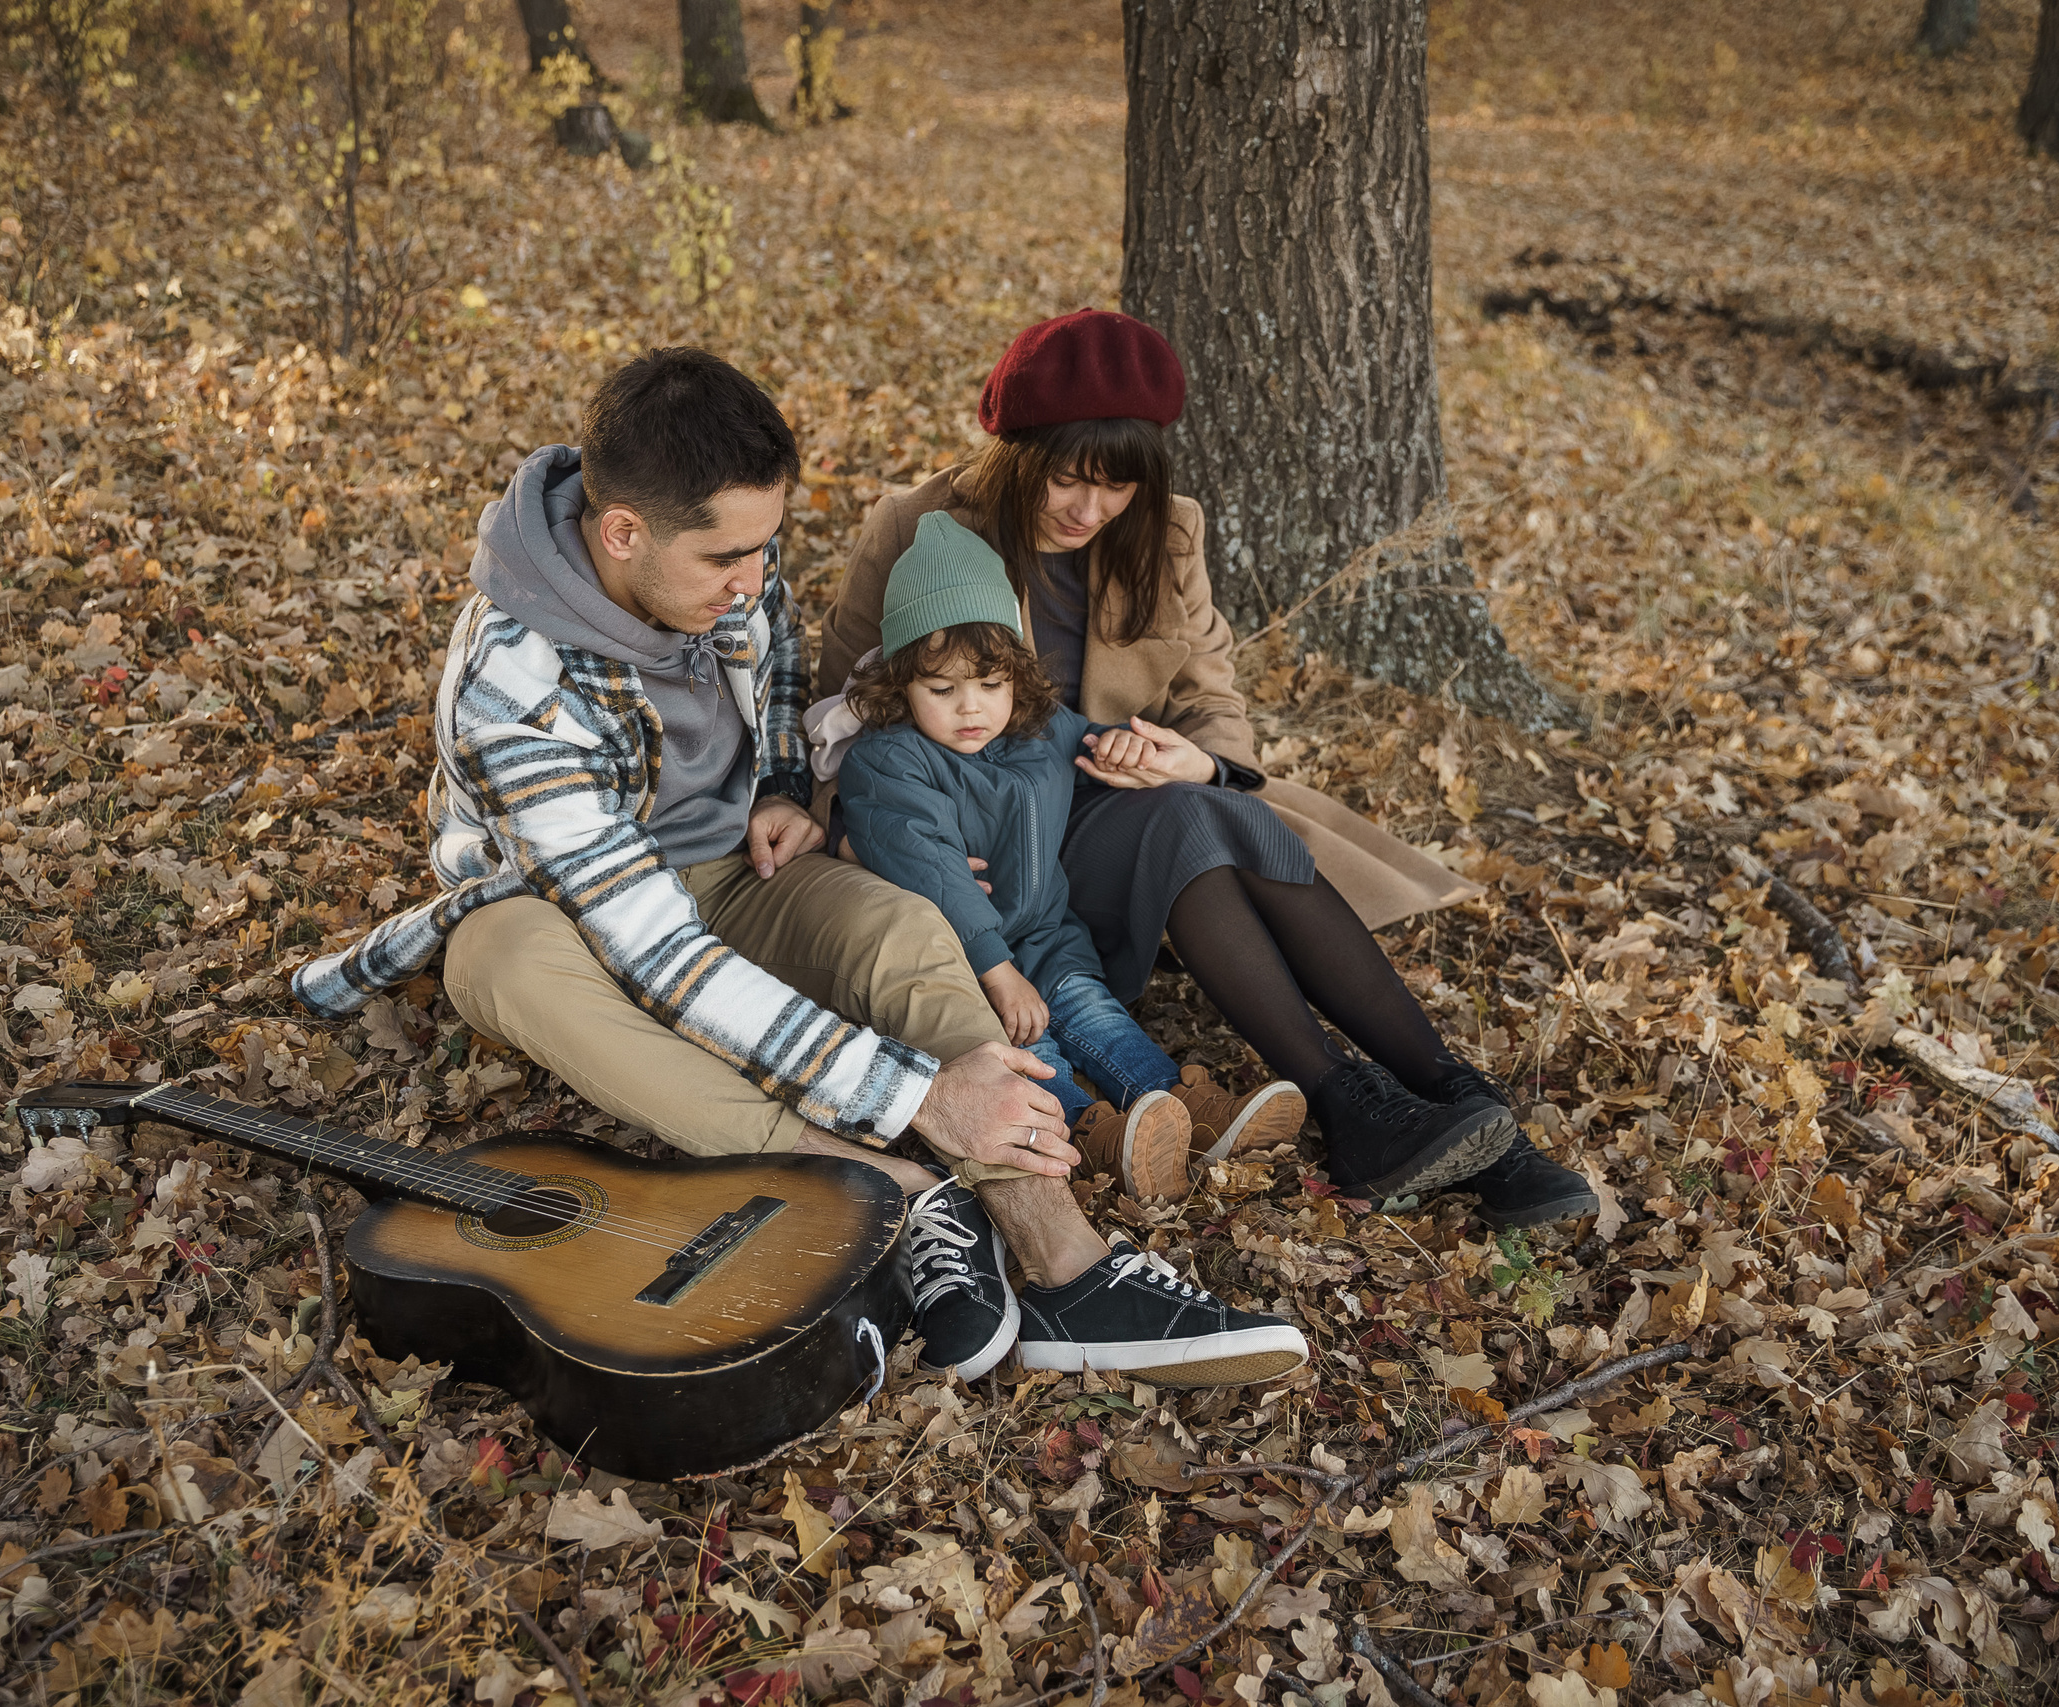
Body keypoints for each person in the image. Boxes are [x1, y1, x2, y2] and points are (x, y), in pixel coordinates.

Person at [291, 346, 1309, 1388]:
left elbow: (777, 666)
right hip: (567, 910)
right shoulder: (514, 687)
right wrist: (908, 1098)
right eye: (726, 561)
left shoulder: (724, 547)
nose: (750, 582)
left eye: (761, 551)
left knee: (905, 932)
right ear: (622, 532)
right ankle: (889, 1190)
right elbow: (658, 956)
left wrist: (781, 784)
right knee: (496, 962)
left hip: (737, 863)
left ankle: (1068, 1269)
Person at [816, 310, 1598, 1230]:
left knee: (1208, 807)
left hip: (1122, 792)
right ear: (1018, 451)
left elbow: (1211, 692)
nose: (1087, 509)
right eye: (1067, 476)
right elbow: (842, 704)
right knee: (1197, 822)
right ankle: (1358, 1101)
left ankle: (1452, 1102)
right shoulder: (922, 528)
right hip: (992, 826)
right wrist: (853, 834)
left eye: (1115, 487)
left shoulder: (1166, 532)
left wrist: (1199, 757)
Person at [816, 512, 1306, 1201]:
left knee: (1093, 1012)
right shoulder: (889, 760)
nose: (970, 708)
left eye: (989, 683)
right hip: (962, 958)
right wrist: (998, 971)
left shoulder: (1038, 729)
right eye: (942, 689)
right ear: (902, 684)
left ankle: (1183, 1108)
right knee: (1032, 1055)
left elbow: (1093, 741)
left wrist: (1126, 748)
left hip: (1047, 934)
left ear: (1016, 672)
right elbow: (929, 866)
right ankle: (1091, 1131)